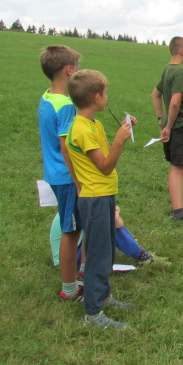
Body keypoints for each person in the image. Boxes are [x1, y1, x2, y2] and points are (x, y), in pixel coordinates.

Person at [67, 69, 136, 329]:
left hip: (105, 195)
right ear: (97, 97)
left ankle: (103, 295)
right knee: (96, 255)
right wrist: (119, 141)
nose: (108, 97)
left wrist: (121, 134)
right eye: (106, 93)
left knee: (106, 251)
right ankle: (93, 313)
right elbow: (106, 166)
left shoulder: (94, 124)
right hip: (94, 199)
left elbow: (106, 155)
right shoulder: (81, 129)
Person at [38, 45, 85, 303]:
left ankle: (82, 274)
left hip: (54, 173)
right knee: (71, 231)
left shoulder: (47, 97)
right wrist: (78, 182)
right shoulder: (66, 105)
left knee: (78, 225)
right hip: (67, 178)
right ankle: (70, 289)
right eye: (77, 68)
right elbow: (66, 147)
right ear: (69, 70)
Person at [151, 37, 183, 222]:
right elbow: (176, 102)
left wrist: (161, 118)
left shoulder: (167, 69)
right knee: (179, 168)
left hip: (173, 126)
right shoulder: (180, 71)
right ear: (182, 51)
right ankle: (178, 212)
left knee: (175, 166)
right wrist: (168, 127)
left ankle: (177, 208)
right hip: (181, 127)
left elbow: (155, 94)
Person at [50, 207, 163, 267]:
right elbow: (116, 223)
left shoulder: (75, 205)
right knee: (108, 224)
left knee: (107, 220)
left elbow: (113, 209)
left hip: (71, 257)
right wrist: (113, 213)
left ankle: (140, 253)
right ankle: (142, 255)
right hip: (70, 262)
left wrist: (114, 211)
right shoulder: (83, 208)